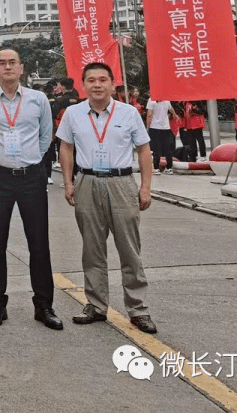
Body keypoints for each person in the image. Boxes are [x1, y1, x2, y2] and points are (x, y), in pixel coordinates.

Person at [57, 62, 157, 334]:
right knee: (92, 249)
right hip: (86, 181)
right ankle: (96, 305)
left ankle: (138, 309)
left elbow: (144, 151)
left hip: (121, 183)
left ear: (113, 84)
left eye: (103, 80)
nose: (97, 85)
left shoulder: (129, 113)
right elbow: (66, 148)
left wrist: (145, 187)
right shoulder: (73, 113)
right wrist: (68, 182)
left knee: (129, 249)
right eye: (91, 80)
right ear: (84, 84)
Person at [0, 47, 61, 330]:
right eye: (2, 63)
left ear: (22, 68)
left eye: (12, 63)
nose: (7, 67)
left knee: (39, 243)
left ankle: (44, 305)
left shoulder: (38, 100)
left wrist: (27, 159)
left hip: (31, 177)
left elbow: (46, 137)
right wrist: (2, 159)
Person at [145, 98, 177, 174]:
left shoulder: (151, 100)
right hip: (165, 127)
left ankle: (156, 167)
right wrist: (174, 115)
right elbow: (171, 109)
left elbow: (149, 114)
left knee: (156, 148)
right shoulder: (167, 100)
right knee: (167, 147)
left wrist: (147, 127)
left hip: (155, 127)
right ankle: (169, 167)